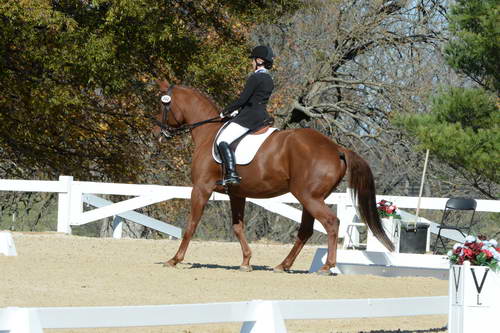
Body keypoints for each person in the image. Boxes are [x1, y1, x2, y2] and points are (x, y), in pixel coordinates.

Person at [216, 45, 275, 186]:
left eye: (253, 60)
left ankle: (231, 174)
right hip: (261, 116)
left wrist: (226, 111)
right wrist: (238, 111)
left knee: (222, 141)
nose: (252, 63)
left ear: (259, 60)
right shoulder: (269, 79)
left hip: (249, 117)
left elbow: (243, 99)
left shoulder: (255, 78)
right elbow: (254, 100)